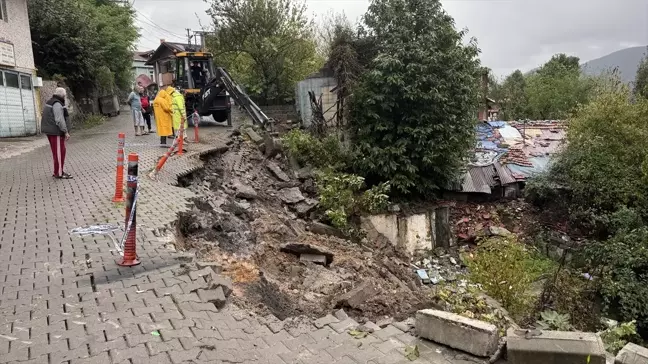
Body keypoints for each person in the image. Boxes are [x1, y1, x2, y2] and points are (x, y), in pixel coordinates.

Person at [41, 87, 72, 179]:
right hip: (56, 132)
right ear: (63, 95)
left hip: (51, 131)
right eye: (65, 95)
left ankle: (58, 171)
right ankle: (59, 173)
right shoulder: (57, 104)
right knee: (59, 152)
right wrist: (65, 132)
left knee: (58, 152)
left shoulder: (51, 101)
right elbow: (59, 119)